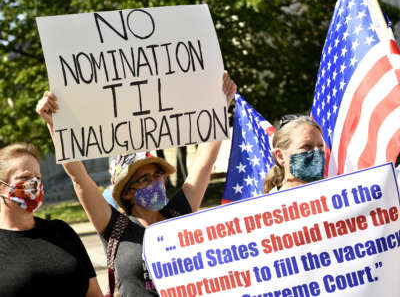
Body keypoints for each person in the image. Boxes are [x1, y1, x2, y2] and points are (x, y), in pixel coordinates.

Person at [36, 72, 236, 297]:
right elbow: (79, 179)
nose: (156, 181)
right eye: (145, 179)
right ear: (128, 192)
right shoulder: (116, 227)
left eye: (158, 174)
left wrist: (220, 107)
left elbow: (203, 163)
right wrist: (55, 124)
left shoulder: (177, 213)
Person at [0, 143, 103, 297]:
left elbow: (94, 294)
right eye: (25, 177)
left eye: (38, 177)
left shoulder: (61, 231)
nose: (34, 184)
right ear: (2, 187)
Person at [263, 115, 325, 193]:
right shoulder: (269, 203)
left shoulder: (339, 192)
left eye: (320, 147)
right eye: (306, 146)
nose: (317, 152)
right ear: (280, 156)